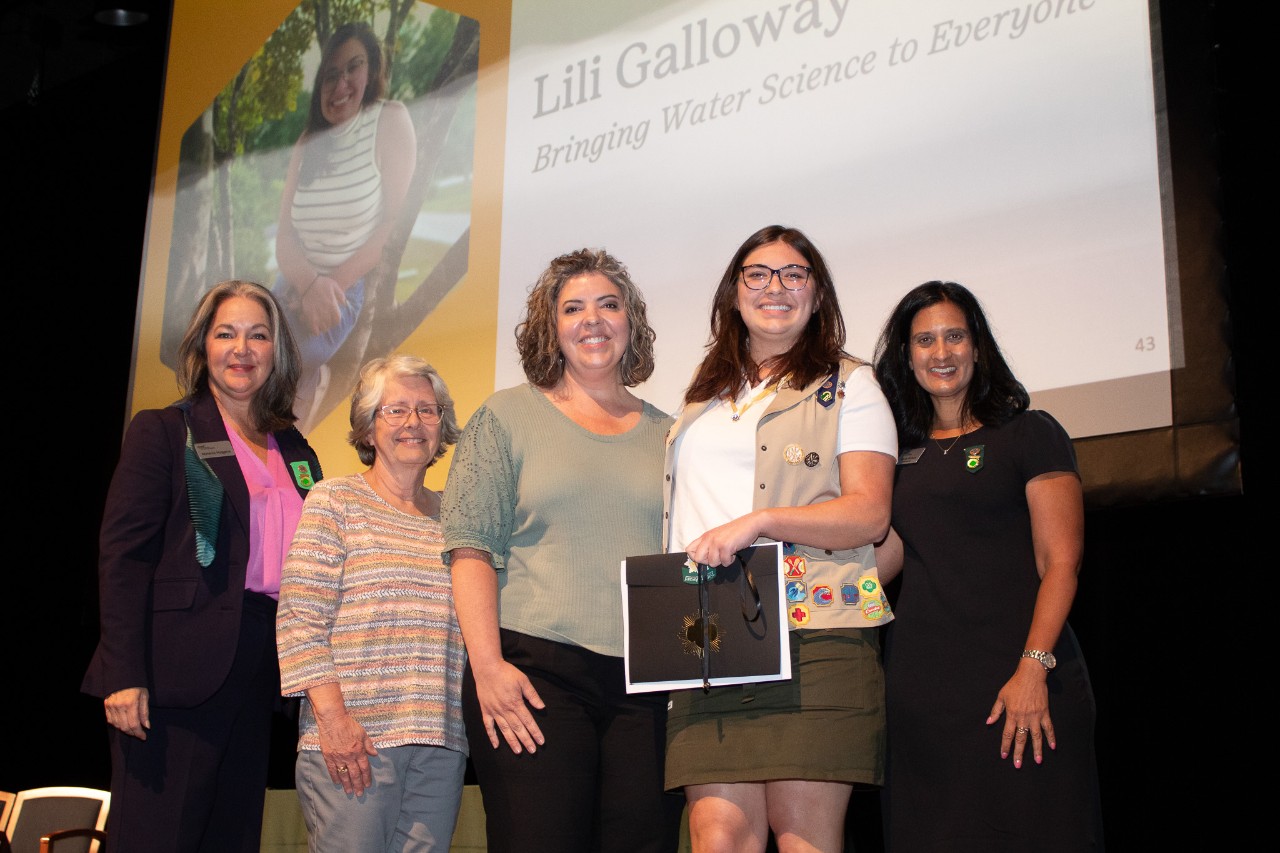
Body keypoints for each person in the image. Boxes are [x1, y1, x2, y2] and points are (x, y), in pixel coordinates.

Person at [661, 225, 898, 853]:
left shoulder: (852, 385)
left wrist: (761, 524)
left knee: (805, 838)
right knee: (718, 837)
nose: (775, 287)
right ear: (733, 294)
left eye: (794, 274)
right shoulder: (704, 396)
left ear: (817, 296)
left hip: (814, 634)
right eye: (758, 275)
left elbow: (869, 515)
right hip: (707, 638)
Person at [440, 248, 685, 853]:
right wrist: (489, 668)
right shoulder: (504, 417)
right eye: (572, 308)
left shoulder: (673, 433)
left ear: (632, 322)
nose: (592, 320)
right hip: (532, 677)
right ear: (551, 327)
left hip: (647, 689)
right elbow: (470, 550)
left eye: (609, 304)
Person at [81, 279, 323, 853]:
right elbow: (124, 559)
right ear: (203, 347)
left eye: (258, 335)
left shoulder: (296, 449)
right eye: (226, 333)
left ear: (278, 351)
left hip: (261, 665)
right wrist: (124, 673)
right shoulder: (165, 432)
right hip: (171, 674)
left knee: (232, 838)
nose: (242, 349)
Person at [871, 280, 1103, 851]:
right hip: (924, 698)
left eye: (955, 336)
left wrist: (1033, 669)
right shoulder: (897, 452)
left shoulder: (1030, 433)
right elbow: (893, 556)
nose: (941, 353)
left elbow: (1062, 563)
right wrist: (802, 590)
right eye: (924, 340)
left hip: (1022, 683)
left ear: (979, 345)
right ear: (906, 355)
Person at [276, 354, 468, 852]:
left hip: (439, 743)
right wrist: (335, 723)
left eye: (428, 411)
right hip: (354, 743)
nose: (414, 423)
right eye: (395, 410)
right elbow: (300, 621)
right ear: (367, 428)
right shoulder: (334, 501)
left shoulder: (459, 520)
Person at [274, 21, 417, 432]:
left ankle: (310, 387)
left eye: (353, 68)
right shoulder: (306, 143)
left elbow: (390, 226)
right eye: (331, 74)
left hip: (342, 289)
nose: (340, 84)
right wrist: (307, 285)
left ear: (371, 72)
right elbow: (285, 236)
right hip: (292, 284)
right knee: (244, 357)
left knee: (279, 368)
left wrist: (327, 287)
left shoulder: (389, 119)